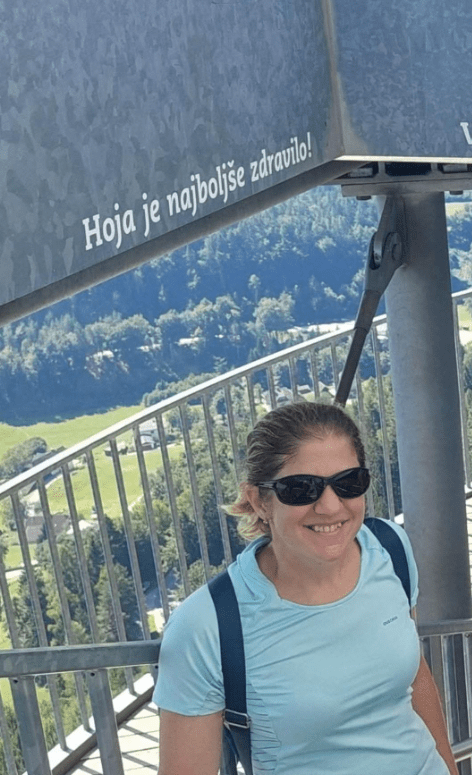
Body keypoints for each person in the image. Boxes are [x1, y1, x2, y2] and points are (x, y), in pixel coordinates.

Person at [154, 401, 458, 775]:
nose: (330, 506)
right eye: (301, 489)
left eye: (348, 482)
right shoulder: (207, 626)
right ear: (258, 501)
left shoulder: (389, 548)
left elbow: (414, 677)